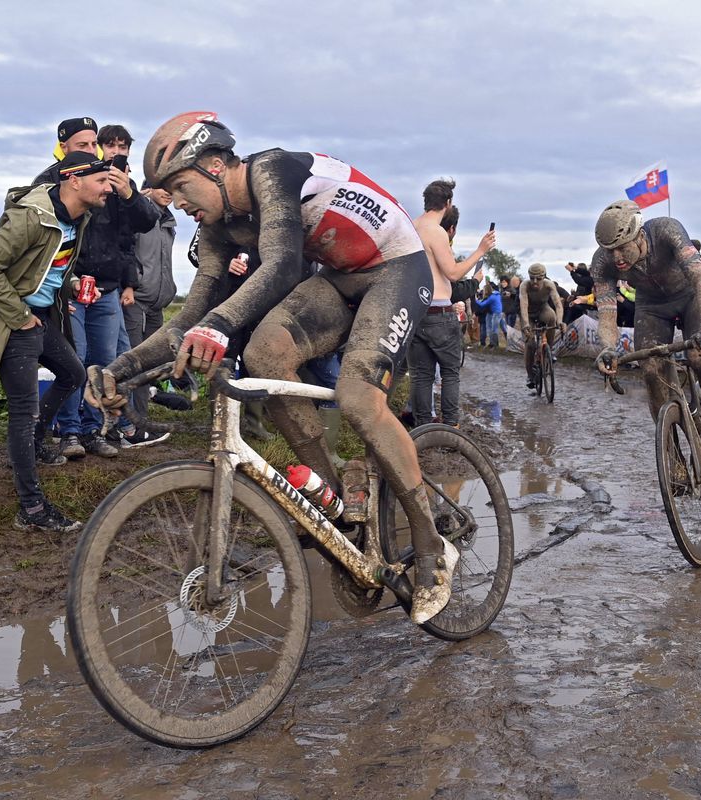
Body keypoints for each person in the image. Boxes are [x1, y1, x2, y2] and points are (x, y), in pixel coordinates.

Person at [88, 112, 458, 623]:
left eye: (180, 185)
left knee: (355, 397)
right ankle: (334, 505)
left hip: (396, 269)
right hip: (340, 277)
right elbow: (194, 313)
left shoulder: (271, 171)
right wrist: (121, 368)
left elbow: (282, 263)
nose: (177, 202)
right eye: (168, 193)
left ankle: (432, 543)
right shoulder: (218, 224)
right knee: (264, 354)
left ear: (216, 165)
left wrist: (219, 328)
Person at [0, 153, 112, 531]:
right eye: (102, 180)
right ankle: (30, 509)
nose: (109, 188)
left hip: (42, 318)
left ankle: (33, 442)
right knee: (22, 411)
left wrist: (73, 283)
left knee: (72, 374)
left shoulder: (78, 217)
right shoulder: (32, 216)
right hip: (13, 323)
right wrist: (18, 316)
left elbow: (47, 266)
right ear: (74, 180)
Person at [34, 120, 160, 458]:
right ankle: (69, 433)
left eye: (94, 144)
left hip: (106, 288)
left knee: (104, 364)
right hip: (68, 290)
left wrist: (128, 192)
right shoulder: (49, 178)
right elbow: (43, 239)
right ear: (64, 144)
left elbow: (147, 221)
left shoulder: (112, 181)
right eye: (83, 144)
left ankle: (94, 431)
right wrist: (62, 285)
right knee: (74, 362)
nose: (91, 150)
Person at [589, 201, 701, 467]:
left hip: (690, 298)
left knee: (699, 357)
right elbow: (606, 313)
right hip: (651, 307)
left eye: (622, 247)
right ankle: (673, 455)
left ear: (639, 236)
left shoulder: (667, 230)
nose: (617, 258)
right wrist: (608, 348)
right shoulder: (602, 262)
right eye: (610, 251)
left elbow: (700, 279)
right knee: (651, 370)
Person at [409, 179, 495, 428]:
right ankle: (451, 425)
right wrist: (480, 250)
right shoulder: (436, 232)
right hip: (439, 311)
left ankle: (423, 426)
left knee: (421, 376)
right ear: (447, 203)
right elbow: (453, 273)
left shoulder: (411, 227)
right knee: (449, 372)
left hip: (417, 309)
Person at [120, 182, 178, 444]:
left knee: (150, 365)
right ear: (147, 188)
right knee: (134, 363)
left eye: (173, 187)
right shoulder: (138, 214)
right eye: (162, 186)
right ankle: (132, 428)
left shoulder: (169, 221)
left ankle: (140, 421)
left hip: (157, 303)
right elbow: (126, 250)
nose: (168, 192)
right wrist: (133, 283)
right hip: (136, 300)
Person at [519, 263, 566, 387]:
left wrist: (560, 321)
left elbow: (558, 304)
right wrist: (525, 325)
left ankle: (548, 350)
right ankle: (530, 375)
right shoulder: (524, 285)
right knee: (530, 344)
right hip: (528, 313)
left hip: (542, 309)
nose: (535, 282)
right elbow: (523, 306)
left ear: (544, 276)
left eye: (538, 278)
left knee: (552, 317)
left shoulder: (549, 285)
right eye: (532, 278)